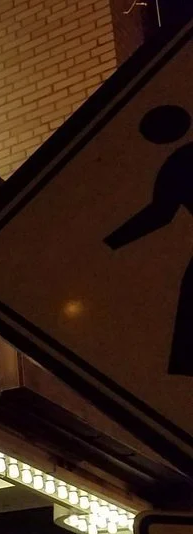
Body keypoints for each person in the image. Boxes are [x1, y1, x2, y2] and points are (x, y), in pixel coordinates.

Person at [104, 103, 193, 376]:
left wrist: (108, 244)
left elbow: (159, 214)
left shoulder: (180, 162)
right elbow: (159, 214)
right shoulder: (178, 163)